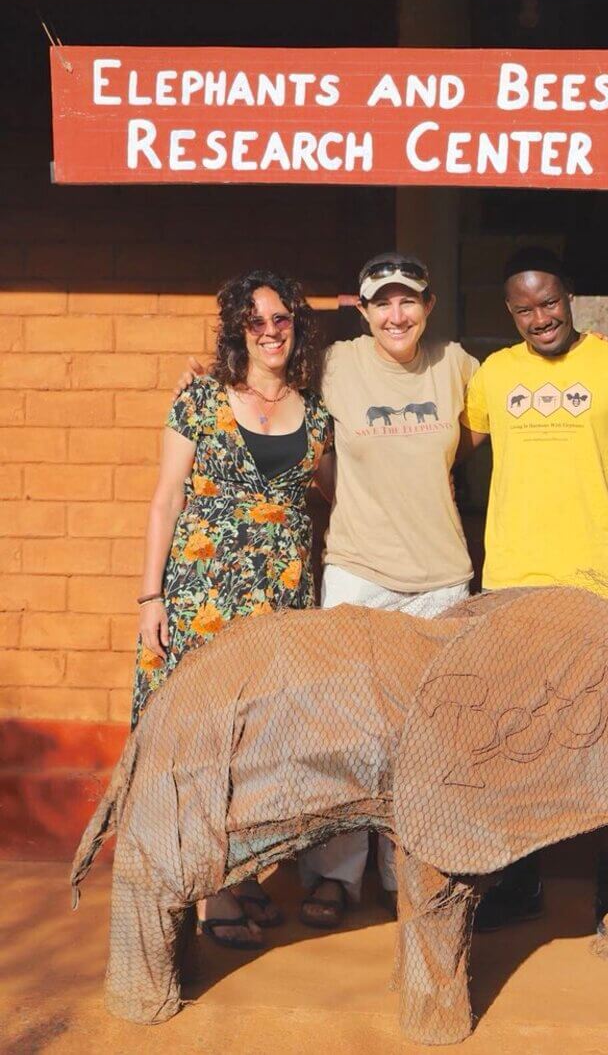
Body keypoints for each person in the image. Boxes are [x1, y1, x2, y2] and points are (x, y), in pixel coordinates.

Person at [177, 253, 478, 929]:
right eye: (382, 303)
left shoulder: (458, 366)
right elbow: (262, 376)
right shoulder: (338, 364)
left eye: (408, 302)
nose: (396, 315)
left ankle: (412, 876)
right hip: (358, 571)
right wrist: (202, 374)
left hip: (441, 578)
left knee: (426, 737)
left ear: (428, 306)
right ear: (365, 311)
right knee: (342, 732)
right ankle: (335, 874)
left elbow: (485, 430)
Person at [459, 245, 608, 932]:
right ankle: (524, 881)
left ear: (568, 294)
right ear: (510, 313)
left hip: (597, 582)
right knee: (516, 737)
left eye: (548, 302)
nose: (540, 317)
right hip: (512, 584)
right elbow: (446, 448)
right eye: (524, 309)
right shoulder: (493, 374)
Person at [135, 268, 332, 950]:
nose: (271, 331)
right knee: (205, 738)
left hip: (280, 600)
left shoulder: (318, 413)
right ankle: (212, 893)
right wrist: (150, 595)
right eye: (256, 321)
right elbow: (165, 499)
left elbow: (331, 498)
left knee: (258, 743)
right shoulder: (199, 398)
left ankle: (240, 871)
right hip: (204, 593)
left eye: (282, 320)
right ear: (237, 331)